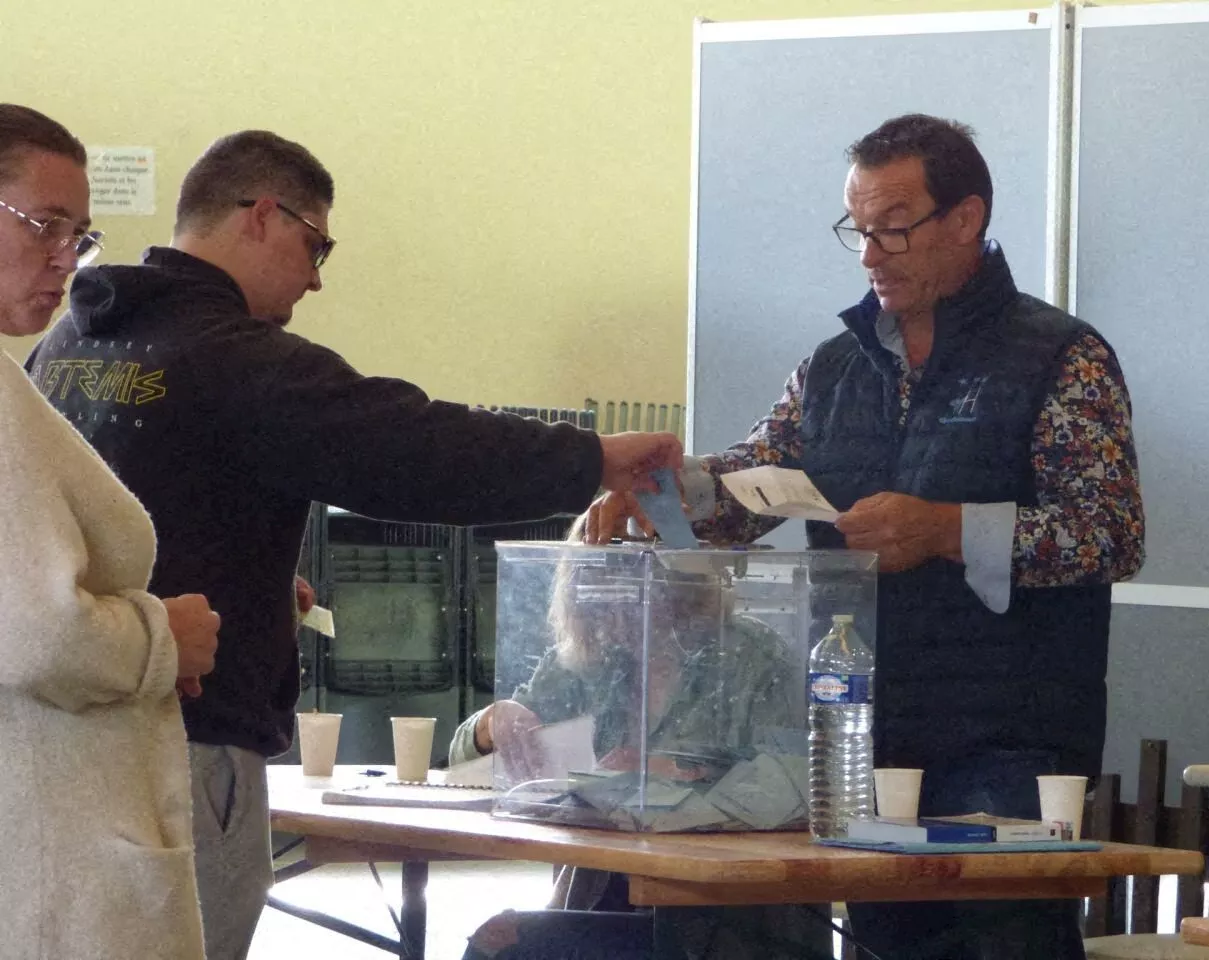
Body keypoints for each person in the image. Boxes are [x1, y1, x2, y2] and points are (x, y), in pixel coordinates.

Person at [26, 128, 682, 960]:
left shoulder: (72, 347)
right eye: (314, 244)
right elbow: (410, 446)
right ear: (263, 214)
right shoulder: (240, 359)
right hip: (183, 743)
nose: (315, 277)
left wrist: (256, 577)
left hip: (62, 741)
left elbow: (128, 522)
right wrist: (590, 457)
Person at [586, 113, 1145, 959]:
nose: (872, 254)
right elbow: (750, 485)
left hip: (1007, 736)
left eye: (894, 228)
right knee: (886, 936)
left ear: (967, 221)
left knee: (998, 939)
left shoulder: (1059, 356)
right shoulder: (831, 366)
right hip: (855, 727)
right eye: (858, 229)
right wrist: (659, 492)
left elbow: (1109, 533)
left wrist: (949, 530)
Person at [0, 104, 220, 960]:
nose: (66, 257)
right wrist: (162, 638)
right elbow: (39, 632)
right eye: (43, 225)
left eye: (80, 234)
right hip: (49, 874)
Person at [451, 518, 828, 960]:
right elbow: (460, 764)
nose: (614, 618)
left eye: (628, 596)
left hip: (722, 916)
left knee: (510, 943)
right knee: (497, 939)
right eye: (596, 601)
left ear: (680, 588)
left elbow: (801, 786)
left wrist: (678, 776)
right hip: (606, 890)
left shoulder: (750, 657)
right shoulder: (590, 661)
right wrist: (489, 724)